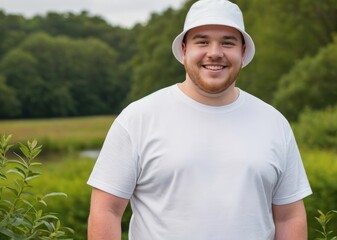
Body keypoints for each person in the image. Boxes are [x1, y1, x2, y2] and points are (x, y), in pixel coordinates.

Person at [87, 0, 312, 239]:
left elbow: (290, 216)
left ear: (243, 52)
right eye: (202, 41)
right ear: (184, 50)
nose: (215, 53)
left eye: (228, 42)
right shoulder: (138, 119)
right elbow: (106, 210)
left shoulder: (274, 123)